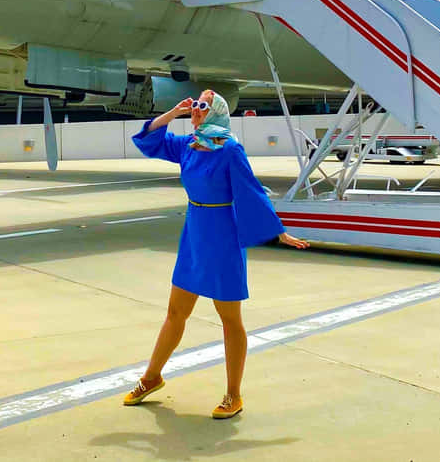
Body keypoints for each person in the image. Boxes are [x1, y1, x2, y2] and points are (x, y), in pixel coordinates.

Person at [123, 89, 309, 419]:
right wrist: (172, 115)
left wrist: (278, 232)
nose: (196, 109)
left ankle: (233, 395)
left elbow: (251, 189)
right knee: (175, 313)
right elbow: (148, 140)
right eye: (195, 104)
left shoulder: (229, 148)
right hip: (194, 234)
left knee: (229, 319)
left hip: (223, 236)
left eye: (203, 106)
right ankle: (151, 377)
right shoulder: (189, 145)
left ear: (217, 112)